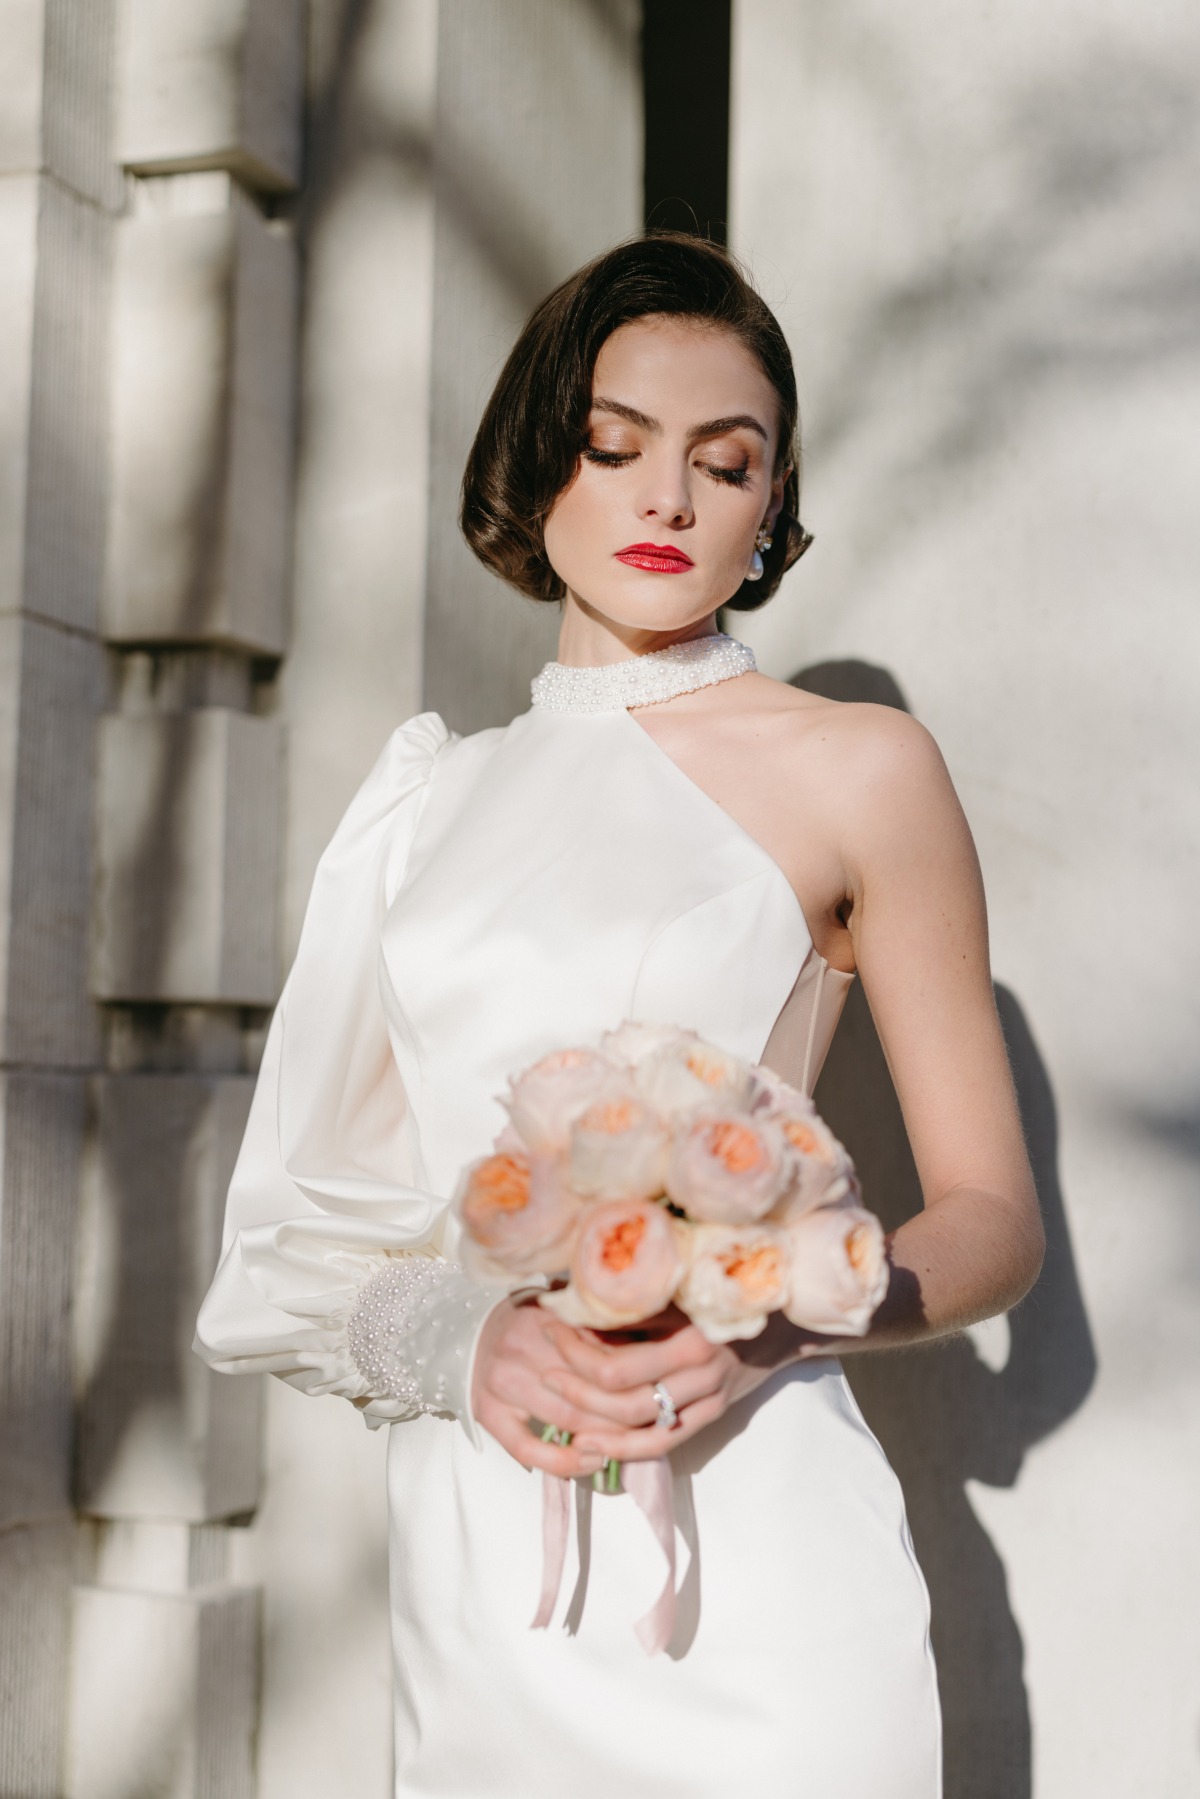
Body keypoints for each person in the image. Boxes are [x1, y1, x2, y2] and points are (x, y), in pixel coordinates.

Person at [195, 233, 1044, 1797]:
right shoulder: (421, 807)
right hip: (481, 1575)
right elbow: (297, 1242)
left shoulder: (863, 769)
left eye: (728, 466)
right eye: (615, 447)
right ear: (540, 459)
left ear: (773, 505)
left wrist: (773, 1310)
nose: (669, 500)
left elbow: (993, 1221)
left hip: (763, 1550)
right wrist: (467, 1342)